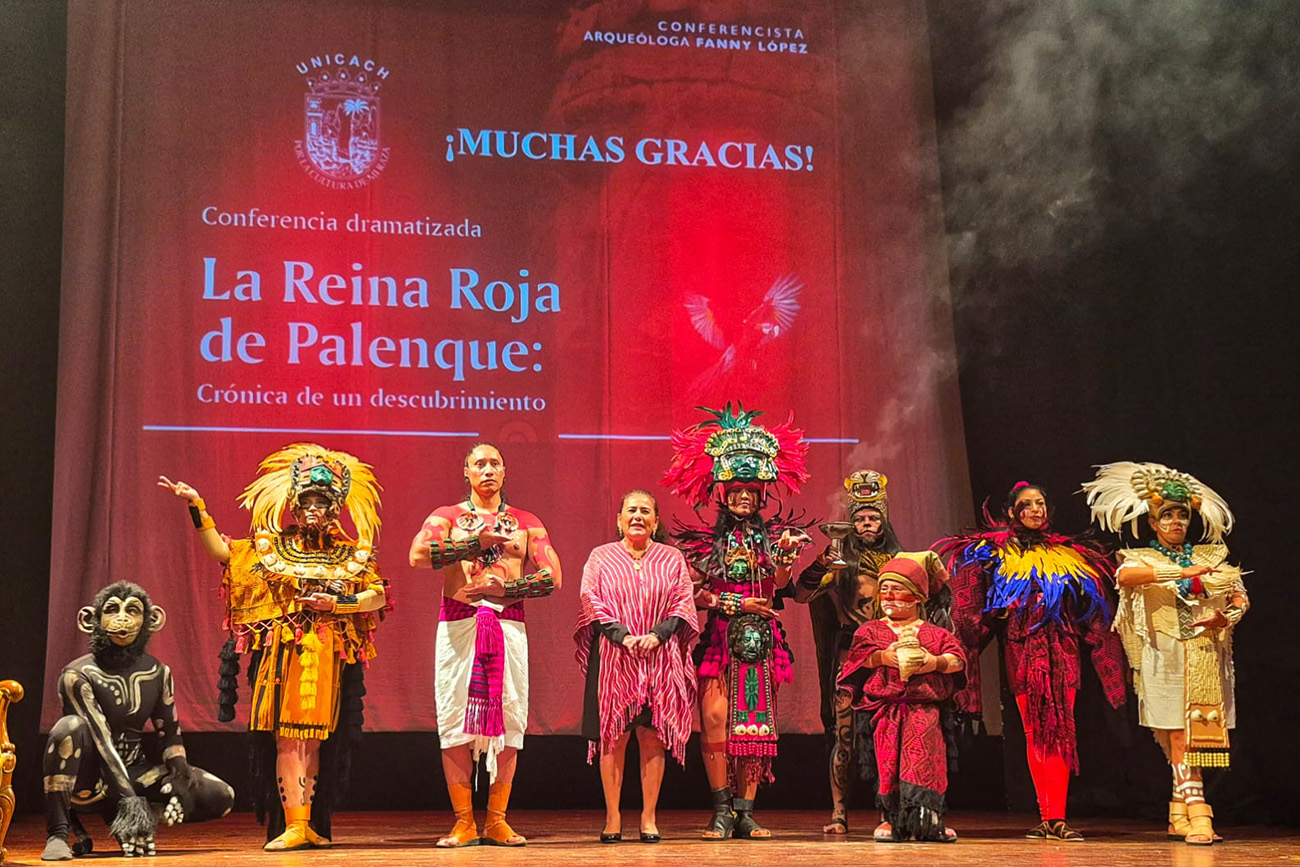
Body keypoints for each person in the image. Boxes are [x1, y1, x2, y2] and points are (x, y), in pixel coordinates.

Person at [159, 443, 388, 851]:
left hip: (327, 657)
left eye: (323, 500)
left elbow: (377, 595)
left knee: (314, 739)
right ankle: (294, 823)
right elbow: (224, 553)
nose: (314, 508)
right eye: (307, 500)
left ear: (336, 508)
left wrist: (337, 603)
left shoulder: (349, 555)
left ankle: (307, 824)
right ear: (293, 506)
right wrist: (198, 507)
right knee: (288, 738)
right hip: (283, 657)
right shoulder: (269, 549)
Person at [936, 481, 1125, 841]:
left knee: (1062, 728)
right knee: (1036, 731)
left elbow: (1094, 611)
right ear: (1011, 512)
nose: (1036, 509)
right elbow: (972, 608)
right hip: (1023, 652)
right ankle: (1048, 815)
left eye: (1041, 503)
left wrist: (1107, 652)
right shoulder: (994, 552)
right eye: (1027, 504)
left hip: (1064, 650)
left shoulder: (1070, 556)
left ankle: (1057, 817)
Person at [662, 403, 812, 840]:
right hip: (721, 636)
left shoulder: (774, 538)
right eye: (736, 491)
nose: (744, 497)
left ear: (761, 495)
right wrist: (732, 604)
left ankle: (746, 811)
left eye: (751, 491)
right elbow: (692, 592)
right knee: (713, 719)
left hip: (761, 641)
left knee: (755, 722)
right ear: (722, 493)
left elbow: (778, 587)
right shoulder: (702, 543)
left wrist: (784, 559)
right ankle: (721, 810)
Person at [408, 442, 562, 848]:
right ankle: (463, 822)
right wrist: (473, 544)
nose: (488, 469)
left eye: (495, 463)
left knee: (511, 718)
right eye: (480, 463)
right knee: (455, 719)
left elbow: (553, 576)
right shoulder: (447, 517)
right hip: (459, 624)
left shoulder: (526, 522)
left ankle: (496, 820)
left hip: (508, 624)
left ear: (505, 472)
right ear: (467, 472)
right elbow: (417, 555)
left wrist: (507, 587)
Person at [1083, 462, 1245, 846]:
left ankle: (1179, 811)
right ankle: (1199, 809)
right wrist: (1183, 574)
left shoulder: (1213, 556)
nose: (1175, 522)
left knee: (1198, 736)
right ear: (1152, 522)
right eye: (1166, 515)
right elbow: (1124, 578)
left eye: (1181, 515)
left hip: (1205, 653)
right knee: (1176, 734)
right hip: (1164, 654)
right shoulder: (1140, 558)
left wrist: (1227, 615)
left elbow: (1238, 593)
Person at [41, 582, 235, 861]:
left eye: (132, 610)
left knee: (220, 795)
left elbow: (169, 733)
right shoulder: (77, 673)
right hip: (89, 778)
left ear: (152, 619)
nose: (122, 619)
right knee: (68, 728)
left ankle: (133, 817)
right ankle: (58, 833)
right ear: (89, 620)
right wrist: (130, 805)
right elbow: (102, 741)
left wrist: (180, 776)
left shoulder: (158, 672)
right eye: (112, 610)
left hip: (136, 771)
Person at [574, 489, 699, 844]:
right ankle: (613, 818)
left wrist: (658, 635)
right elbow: (590, 598)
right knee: (613, 739)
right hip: (615, 658)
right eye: (631, 510)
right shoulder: (600, 557)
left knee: (652, 737)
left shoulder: (672, 558)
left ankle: (648, 818)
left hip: (660, 660)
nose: (638, 516)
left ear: (656, 521)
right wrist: (623, 636)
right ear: (619, 519)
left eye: (646, 511)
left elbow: (683, 601)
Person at [791, 470, 902, 834]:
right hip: (850, 657)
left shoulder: (901, 563)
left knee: (888, 736)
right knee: (844, 736)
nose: (867, 524)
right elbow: (803, 594)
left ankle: (887, 811)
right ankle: (839, 813)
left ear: (883, 520)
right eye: (860, 518)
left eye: (873, 518)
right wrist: (824, 562)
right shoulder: (841, 567)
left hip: (891, 657)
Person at [838, 552, 964, 843]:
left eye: (898, 590)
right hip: (887, 710)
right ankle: (890, 819)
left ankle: (929, 820)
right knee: (888, 763)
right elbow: (856, 660)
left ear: (918, 596)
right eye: (884, 590)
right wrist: (882, 656)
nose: (889, 596)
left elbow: (957, 660)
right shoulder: (871, 630)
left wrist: (934, 662)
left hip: (923, 709)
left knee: (925, 761)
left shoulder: (935, 633)